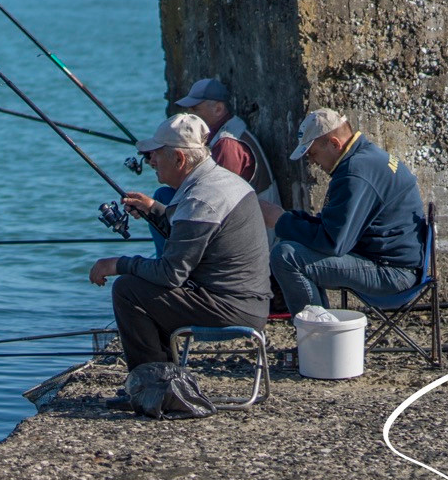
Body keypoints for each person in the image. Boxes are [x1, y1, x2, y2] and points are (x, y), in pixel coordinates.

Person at [87, 114, 274, 368]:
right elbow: (193, 236)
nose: (151, 161)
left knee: (128, 290)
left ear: (179, 158)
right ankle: (164, 378)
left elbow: (170, 274)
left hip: (232, 307)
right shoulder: (219, 181)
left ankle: (155, 386)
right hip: (247, 301)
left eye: (156, 154)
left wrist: (117, 264)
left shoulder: (202, 198)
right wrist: (154, 209)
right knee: (144, 286)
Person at [263, 108, 425, 315]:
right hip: (397, 265)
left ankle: (317, 338)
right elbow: (331, 227)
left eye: (312, 153)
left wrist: (280, 222)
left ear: (334, 144)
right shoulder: (369, 157)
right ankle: (320, 332)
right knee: (292, 250)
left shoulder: (355, 173)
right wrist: (289, 218)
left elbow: (333, 243)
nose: (312, 162)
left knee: (285, 256)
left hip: (394, 274)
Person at [173, 77, 279, 208]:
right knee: (167, 196)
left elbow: (217, 196)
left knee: (169, 199)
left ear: (218, 109)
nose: (189, 115)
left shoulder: (228, 144)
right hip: (245, 218)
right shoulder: (225, 132)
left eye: (195, 109)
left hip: (260, 225)